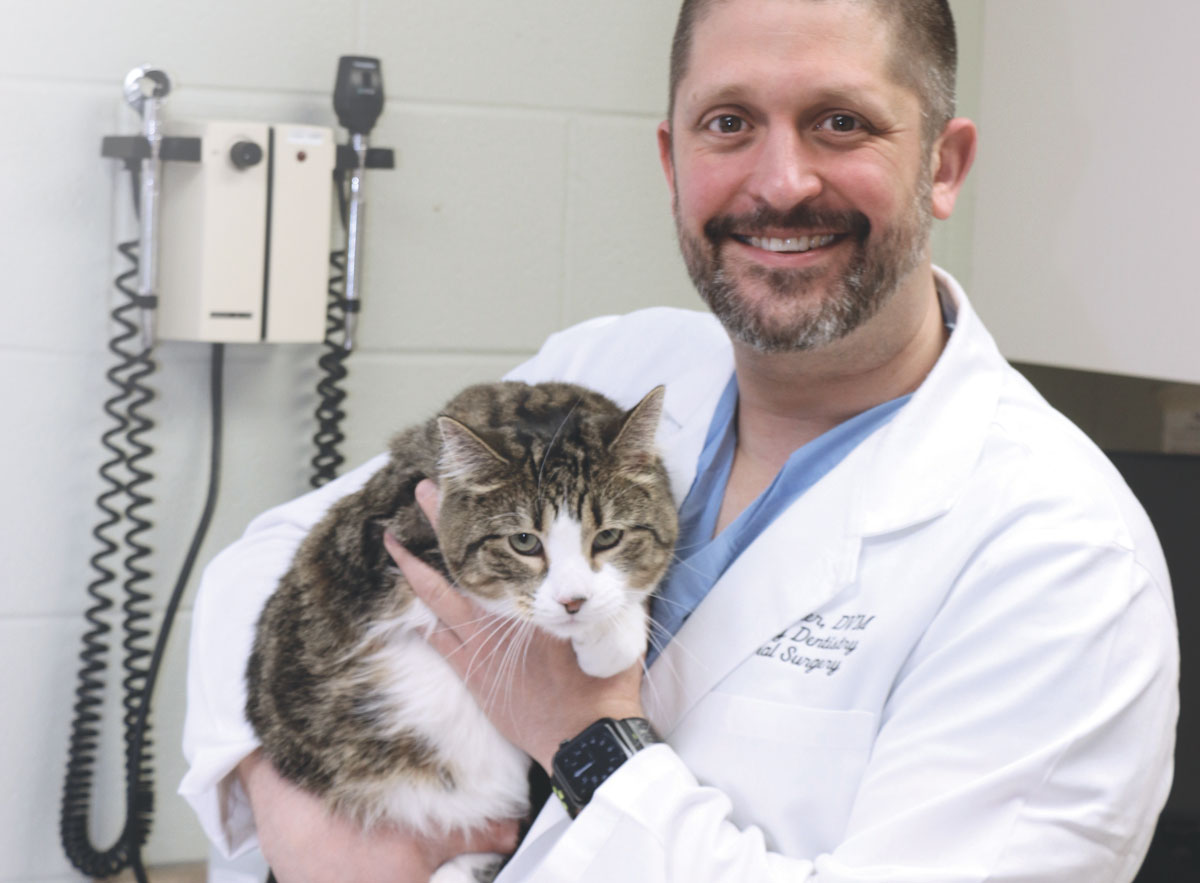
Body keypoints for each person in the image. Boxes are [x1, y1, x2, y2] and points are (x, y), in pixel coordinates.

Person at [181, 0, 1180, 880]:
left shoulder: (1064, 558)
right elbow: (270, 559)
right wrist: (309, 820)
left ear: (943, 165)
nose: (780, 182)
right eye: (730, 123)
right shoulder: (608, 370)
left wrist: (586, 739)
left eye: (841, 122)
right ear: (673, 160)